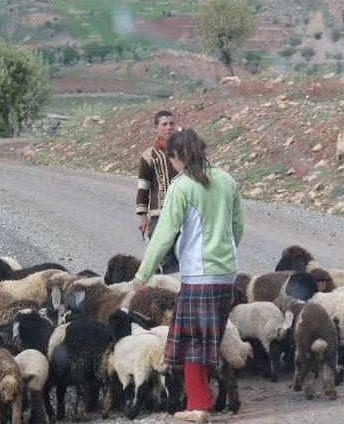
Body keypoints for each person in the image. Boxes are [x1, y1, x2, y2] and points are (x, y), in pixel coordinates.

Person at [133, 128, 244, 423]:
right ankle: (202, 399)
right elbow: (238, 228)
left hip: (198, 274)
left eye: (173, 161)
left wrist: (143, 274)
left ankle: (198, 406)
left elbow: (164, 235)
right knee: (211, 337)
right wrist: (225, 252)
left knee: (192, 339)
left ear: (178, 156)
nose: (174, 167)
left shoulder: (182, 186)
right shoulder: (227, 179)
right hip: (226, 274)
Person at [136, 110, 180, 274]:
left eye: (171, 124)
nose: (169, 127)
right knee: (161, 253)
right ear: (157, 127)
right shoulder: (149, 155)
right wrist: (142, 215)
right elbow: (143, 185)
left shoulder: (185, 151)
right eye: (164, 124)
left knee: (185, 253)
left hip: (185, 212)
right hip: (159, 213)